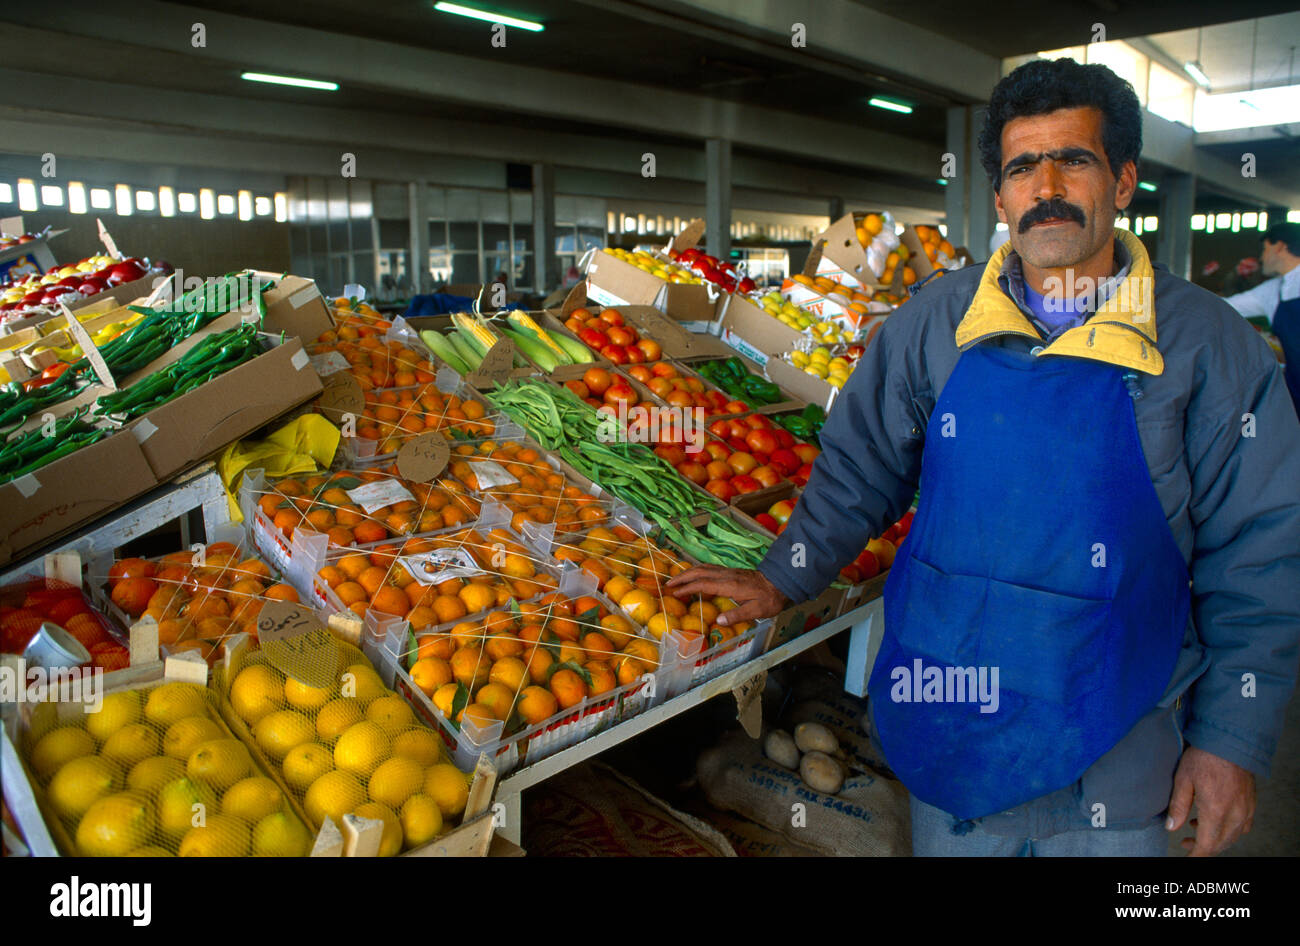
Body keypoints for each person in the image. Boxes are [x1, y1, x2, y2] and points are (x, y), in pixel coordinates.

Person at [667, 57, 1300, 857]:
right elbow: (860, 464)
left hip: (1121, 754)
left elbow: (1263, 553)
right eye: (1022, 167)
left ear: (1125, 179)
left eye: (1074, 159)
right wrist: (783, 574)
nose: (1047, 187)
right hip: (954, 722)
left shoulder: (1208, 347)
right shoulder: (935, 322)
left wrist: (1232, 739)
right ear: (999, 197)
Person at [1223, 222, 1300, 414]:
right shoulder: (1274, 290)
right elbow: (1221, 306)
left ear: (1280, 247)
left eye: (1265, 249)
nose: (1262, 257)